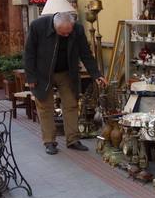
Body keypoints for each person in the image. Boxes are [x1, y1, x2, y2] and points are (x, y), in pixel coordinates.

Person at [23, 12, 107, 155]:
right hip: (43, 75)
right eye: (63, 33)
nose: (67, 35)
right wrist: (30, 77)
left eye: (69, 32)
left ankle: (73, 139)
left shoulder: (78, 29)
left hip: (66, 73)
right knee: (45, 107)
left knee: (71, 104)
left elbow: (85, 53)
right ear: (55, 28)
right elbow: (29, 53)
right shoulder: (38, 26)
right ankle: (50, 142)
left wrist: (96, 74)